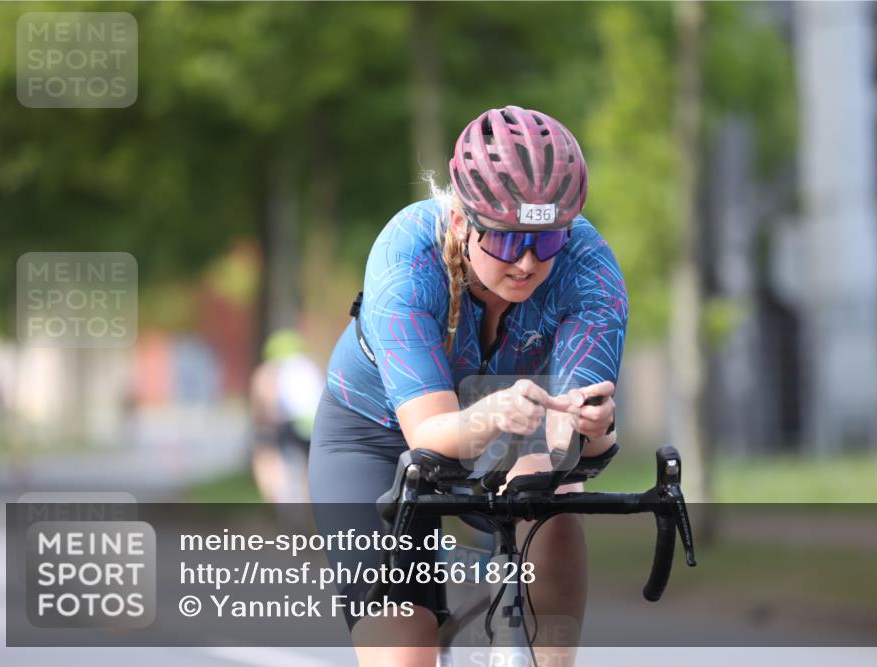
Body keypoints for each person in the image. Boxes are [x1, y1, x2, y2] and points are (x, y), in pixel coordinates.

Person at [310, 106, 625, 667]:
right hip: (378, 434)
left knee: (552, 508)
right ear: (461, 222)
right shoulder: (408, 256)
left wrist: (585, 432)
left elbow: (578, 434)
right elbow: (429, 434)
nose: (528, 262)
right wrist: (500, 420)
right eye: (506, 242)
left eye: (546, 241)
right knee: (405, 652)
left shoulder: (588, 267)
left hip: (509, 415)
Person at [250, 329, 324, 504]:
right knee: (308, 469)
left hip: (287, 423)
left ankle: (281, 501)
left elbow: (265, 402)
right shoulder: (309, 365)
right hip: (315, 423)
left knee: (271, 460)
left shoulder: (270, 371)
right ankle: (308, 506)